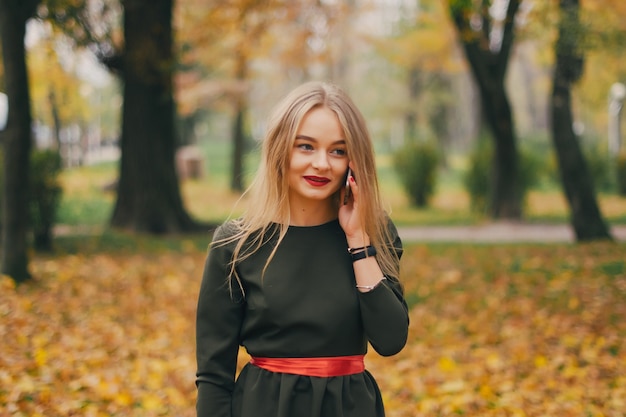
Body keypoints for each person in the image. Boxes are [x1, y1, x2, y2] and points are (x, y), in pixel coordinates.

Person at [195, 81, 409, 417]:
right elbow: (213, 376)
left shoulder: (373, 234)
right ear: (281, 149)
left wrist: (357, 241)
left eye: (338, 150)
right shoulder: (235, 244)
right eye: (306, 147)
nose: (322, 164)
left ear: (354, 161)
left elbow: (391, 339)